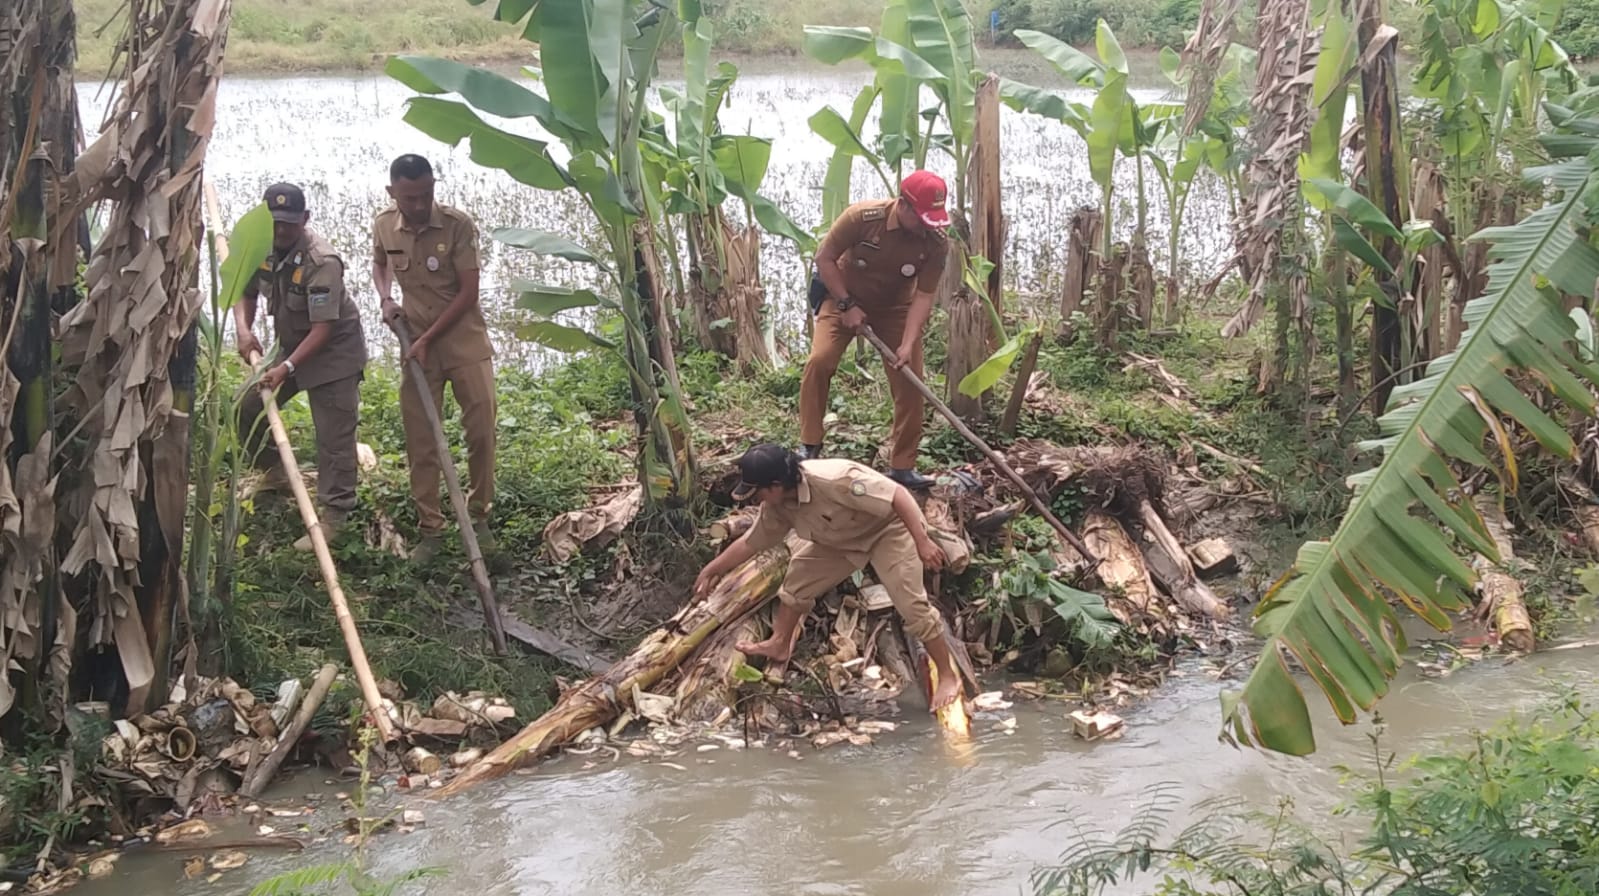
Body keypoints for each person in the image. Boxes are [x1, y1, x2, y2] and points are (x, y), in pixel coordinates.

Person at [692, 443, 964, 711]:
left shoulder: (835, 479)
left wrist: (922, 541)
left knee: (912, 606)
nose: (755, 500)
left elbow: (898, 496)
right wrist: (712, 569)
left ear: (775, 486)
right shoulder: (777, 506)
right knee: (798, 580)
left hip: (888, 531)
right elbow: (752, 542)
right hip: (840, 542)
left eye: (757, 493)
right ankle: (779, 644)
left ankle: (947, 675)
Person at [371, 154, 498, 565]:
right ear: (394, 193)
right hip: (416, 346)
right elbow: (379, 264)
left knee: (481, 430)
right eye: (410, 197)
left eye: (426, 194)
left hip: (462, 342)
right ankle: (432, 529)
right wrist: (387, 298)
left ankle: (480, 519)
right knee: (421, 440)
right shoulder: (384, 224)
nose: (420, 204)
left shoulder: (457, 225)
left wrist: (427, 337)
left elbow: (468, 294)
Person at [235, 182, 369, 551]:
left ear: (305, 219)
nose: (281, 232)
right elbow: (245, 291)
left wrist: (287, 368)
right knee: (246, 407)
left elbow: (324, 328)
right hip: (293, 346)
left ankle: (335, 516)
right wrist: (244, 330)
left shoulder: (321, 261)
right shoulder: (259, 245)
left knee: (334, 437)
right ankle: (276, 473)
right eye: (274, 223)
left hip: (332, 354)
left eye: (289, 225)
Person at [801, 169, 952, 489]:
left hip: (895, 308)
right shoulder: (861, 218)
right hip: (841, 297)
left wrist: (908, 342)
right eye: (923, 217)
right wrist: (846, 304)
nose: (928, 225)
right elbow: (825, 259)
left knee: (910, 380)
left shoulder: (936, 242)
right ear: (904, 205)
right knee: (820, 361)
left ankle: (902, 466)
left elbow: (924, 296)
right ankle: (809, 445)